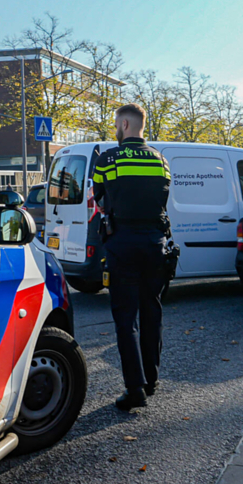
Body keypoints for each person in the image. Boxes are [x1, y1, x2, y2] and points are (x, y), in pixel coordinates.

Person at [92, 103, 171, 411]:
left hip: (121, 243)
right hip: (155, 242)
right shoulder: (161, 160)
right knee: (152, 308)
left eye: (116, 123)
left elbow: (100, 199)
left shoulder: (108, 159)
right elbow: (163, 199)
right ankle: (151, 379)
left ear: (124, 125)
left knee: (126, 317)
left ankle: (134, 387)